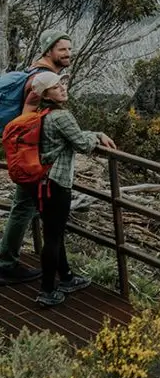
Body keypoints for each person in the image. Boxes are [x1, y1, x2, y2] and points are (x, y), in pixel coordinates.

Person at [25, 71, 116, 306]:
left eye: (62, 84)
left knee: (53, 232)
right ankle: (46, 291)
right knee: (53, 237)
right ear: (46, 94)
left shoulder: (39, 114)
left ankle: (65, 277)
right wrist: (96, 136)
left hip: (39, 181)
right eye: (56, 87)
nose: (63, 88)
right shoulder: (62, 116)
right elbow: (83, 144)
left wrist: (91, 134)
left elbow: (67, 138)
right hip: (56, 183)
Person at [0, 30, 74, 285]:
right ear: (48, 50)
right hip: (34, 160)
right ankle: (7, 264)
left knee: (26, 207)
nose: (68, 54)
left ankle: (9, 261)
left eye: (69, 49)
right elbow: (25, 119)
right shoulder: (41, 79)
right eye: (62, 49)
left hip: (31, 158)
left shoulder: (38, 73)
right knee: (24, 207)